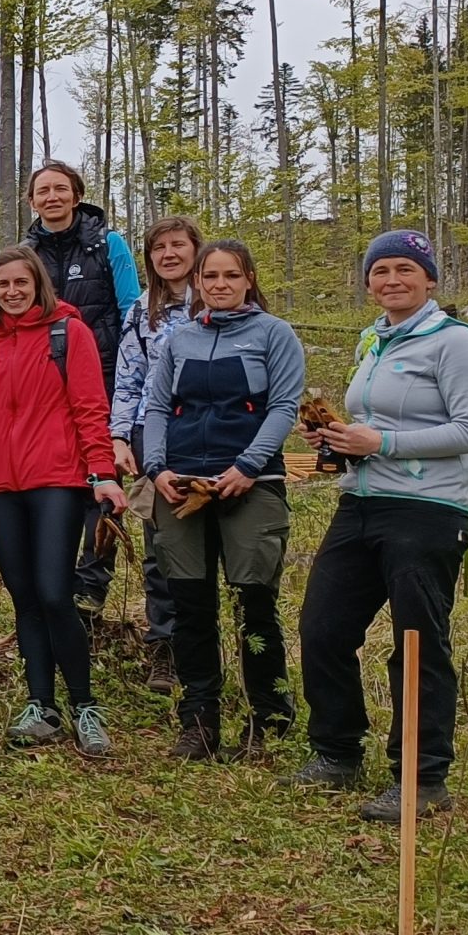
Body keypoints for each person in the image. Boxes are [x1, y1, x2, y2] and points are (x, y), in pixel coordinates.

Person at [299, 230, 468, 821]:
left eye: (405, 269)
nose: (392, 280)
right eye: (380, 271)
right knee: (323, 625)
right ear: (367, 284)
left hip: (429, 510)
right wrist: (338, 440)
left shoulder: (455, 342)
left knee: (416, 639)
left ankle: (422, 778)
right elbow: (371, 423)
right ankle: (336, 753)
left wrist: (378, 440)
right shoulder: (373, 342)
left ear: (429, 279)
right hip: (360, 501)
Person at [138, 239, 303, 760]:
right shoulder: (180, 339)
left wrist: (248, 466)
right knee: (190, 604)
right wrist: (157, 468)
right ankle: (199, 719)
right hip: (183, 485)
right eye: (210, 277)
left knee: (253, 602)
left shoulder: (274, 335)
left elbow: (283, 407)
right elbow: (159, 405)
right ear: (199, 283)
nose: (220, 285)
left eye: (231, 276)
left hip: (251, 486)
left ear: (249, 279)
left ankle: (269, 718)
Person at [0, 246, 126, 757]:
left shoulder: (68, 334)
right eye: (2, 285)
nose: (12, 292)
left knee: (55, 593)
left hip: (57, 481)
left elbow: (89, 407)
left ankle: (85, 705)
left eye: (21, 283)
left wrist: (101, 472)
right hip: (1, 490)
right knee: (25, 598)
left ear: (38, 284)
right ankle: (42, 705)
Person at [24, 162, 142, 615]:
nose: (52, 197)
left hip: (107, 378)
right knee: (56, 480)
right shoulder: (25, 252)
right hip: (45, 385)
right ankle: (49, 584)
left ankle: (90, 587)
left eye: (60, 189)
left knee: (104, 475)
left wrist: (130, 380)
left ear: (76, 195)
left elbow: (132, 310)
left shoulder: (108, 244)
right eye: (43, 191)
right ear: (32, 201)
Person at [110, 217, 204, 693]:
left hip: (211, 430)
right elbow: (128, 378)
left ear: (195, 250)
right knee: (161, 545)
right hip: (154, 432)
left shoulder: (219, 300)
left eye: (178, 245)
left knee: (214, 544)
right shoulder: (141, 310)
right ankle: (164, 649)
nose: (168, 254)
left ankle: (208, 649)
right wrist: (121, 436)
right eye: (159, 247)